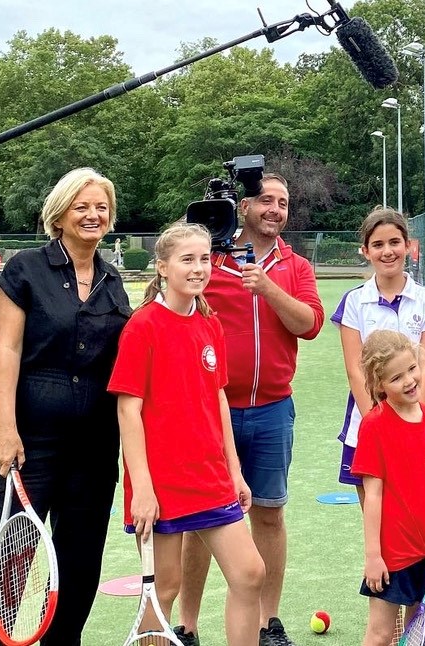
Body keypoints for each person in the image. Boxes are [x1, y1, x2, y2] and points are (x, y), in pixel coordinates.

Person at [0, 168, 132, 645]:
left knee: (79, 566)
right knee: (5, 568)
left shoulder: (114, 281)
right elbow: (8, 352)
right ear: (60, 214)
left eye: (101, 207)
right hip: (29, 442)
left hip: (95, 448)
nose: (93, 215)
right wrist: (6, 431)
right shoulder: (24, 270)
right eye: (82, 206)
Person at [178, 172, 324, 646]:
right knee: (199, 521)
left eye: (282, 202)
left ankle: (267, 621)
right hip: (211, 411)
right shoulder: (210, 258)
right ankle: (188, 624)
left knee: (269, 514)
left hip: (273, 409)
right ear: (243, 207)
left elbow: (310, 324)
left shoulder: (295, 266)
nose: (275, 210)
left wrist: (267, 289)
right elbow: (173, 308)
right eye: (265, 200)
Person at [109, 222, 265, 646]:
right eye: (186, 260)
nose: (198, 268)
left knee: (250, 574)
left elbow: (217, 402)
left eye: (203, 259)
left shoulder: (209, 323)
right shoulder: (143, 327)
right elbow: (129, 410)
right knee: (164, 590)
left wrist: (234, 470)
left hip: (211, 477)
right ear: (162, 267)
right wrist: (142, 487)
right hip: (162, 483)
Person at [349, 330, 425, 646]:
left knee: (422, 631)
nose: (409, 380)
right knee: (381, 634)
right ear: (379, 384)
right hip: (393, 557)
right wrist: (373, 556)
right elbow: (373, 495)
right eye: (396, 377)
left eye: (412, 369)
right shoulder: (374, 426)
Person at [333, 208, 425, 501]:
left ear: (408, 246)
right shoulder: (355, 301)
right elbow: (355, 370)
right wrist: (378, 425)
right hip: (368, 424)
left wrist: (415, 424)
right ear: (365, 251)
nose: (388, 251)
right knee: (376, 515)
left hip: (418, 418)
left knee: (422, 509)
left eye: (395, 242)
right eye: (378, 244)